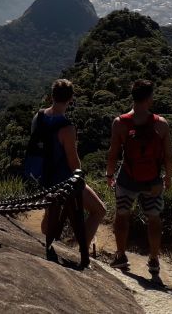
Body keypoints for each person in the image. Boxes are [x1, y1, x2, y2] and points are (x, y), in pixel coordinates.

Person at [106, 79, 172, 276]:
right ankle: (153, 260)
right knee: (154, 219)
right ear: (150, 98)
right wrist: (167, 179)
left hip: (127, 179)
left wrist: (110, 175)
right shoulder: (161, 124)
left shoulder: (120, 123)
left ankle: (120, 256)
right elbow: (169, 157)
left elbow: (113, 154)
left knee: (122, 215)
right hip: (152, 181)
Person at [35, 79, 106, 264]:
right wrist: (80, 175)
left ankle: (51, 236)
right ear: (71, 99)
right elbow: (73, 161)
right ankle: (78, 249)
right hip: (64, 182)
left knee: (51, 216)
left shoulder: (39, 117)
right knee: (99, 210)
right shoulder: (67, 127)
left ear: (52, 95)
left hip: (44, 178)